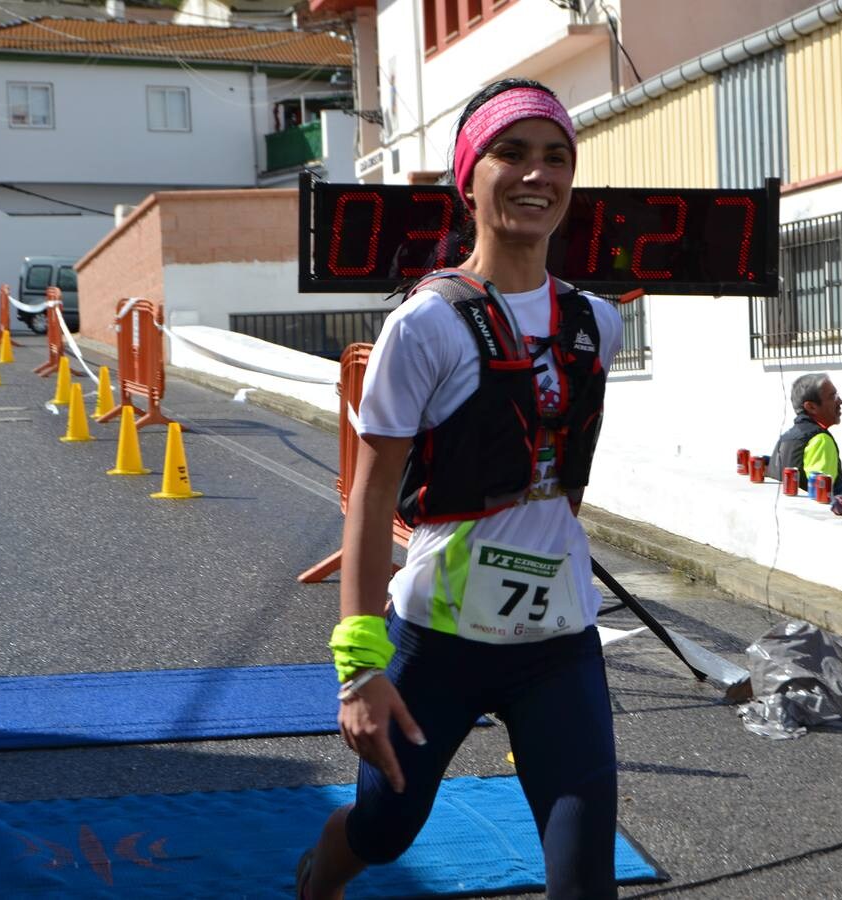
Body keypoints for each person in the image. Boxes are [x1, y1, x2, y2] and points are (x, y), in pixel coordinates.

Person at [298, 78, 625, 899]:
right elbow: (371, 500)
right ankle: (319, 877)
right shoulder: (425, 325)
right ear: (468, 177)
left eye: (556, 158)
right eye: (510, 154)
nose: (535, 176)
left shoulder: (598, 323)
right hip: (439, 640)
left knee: (586, 879)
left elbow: (558, 482)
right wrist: (358, 670)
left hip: (557, 644)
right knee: (385, 827)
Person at [772, 373, 842, 494]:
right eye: (832, 397)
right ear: (811, 407)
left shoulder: (786, 437)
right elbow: (821, 498)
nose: (840, 401)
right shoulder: (820, 440)